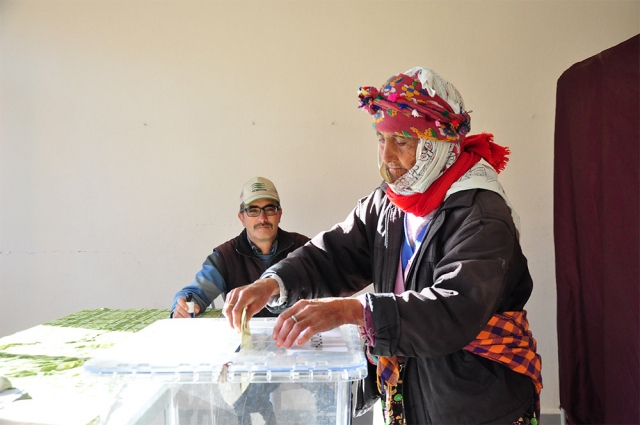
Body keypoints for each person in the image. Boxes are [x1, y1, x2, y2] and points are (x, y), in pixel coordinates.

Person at [223, 67, 543, 425]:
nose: (386, 156)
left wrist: (354, 311)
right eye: (381, 138)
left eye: (402, 141)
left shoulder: (480, 215)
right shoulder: (392, 203)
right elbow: (334, 253)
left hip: (474, 402)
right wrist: (272, 283)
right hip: (414, 393)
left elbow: (454, 309)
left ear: (436, 145)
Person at [171, 176, 309, 318]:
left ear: (279, 214)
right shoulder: (225, 257)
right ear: (241, 217)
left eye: (269, 209)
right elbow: (195, 293)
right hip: (241, 332)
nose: (262, 218)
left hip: (298, 331)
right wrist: (183, 306)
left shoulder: (306, 249)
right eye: (253, 210)